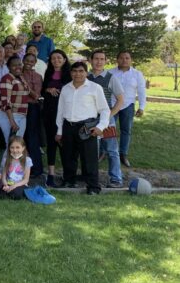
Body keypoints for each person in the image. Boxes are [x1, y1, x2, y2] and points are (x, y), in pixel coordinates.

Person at [55, 61, 110, 194]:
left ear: (86, 73)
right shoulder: (66, 88)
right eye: (74, 71)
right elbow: (60, 111)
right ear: (71, 73)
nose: (77, 74)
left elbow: (104, 109)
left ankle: (93, 187)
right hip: (68, 126)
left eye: (81, 71)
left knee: (89, 159)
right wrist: (59, 131)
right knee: (68, 156)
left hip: (87, 128)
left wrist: (101, 127)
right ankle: (69, 181)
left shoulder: (95, 88)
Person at [88, 50, 125, 187]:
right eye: (96, 59)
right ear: (90, 60)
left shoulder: (111, 78)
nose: (99, 62)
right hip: (89, 120)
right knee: (91, 150)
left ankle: (116, 179)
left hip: (107, 121)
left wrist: (109, 116)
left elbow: (121, 100)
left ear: (105, 61)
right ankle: (92, 178)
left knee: (112, 150)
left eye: (102, 59)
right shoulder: (85, 77)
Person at [110, 51, 146, 167]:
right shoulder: (110, 73)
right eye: (121, 58)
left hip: (128, 105)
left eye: (127, 58)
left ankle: (123, 154)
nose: (124, 60)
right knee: (108, 129)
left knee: (126, 130)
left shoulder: (137, 74)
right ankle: (105, 151)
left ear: (131, 60)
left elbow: (141, 91)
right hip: (112, 105)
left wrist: (141, 107)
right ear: (117, 60)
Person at [42, 49, 71, 186]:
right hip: (49, 113)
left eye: (59, 58)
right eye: (53, 58)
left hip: (65, 114)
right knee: (51, 143)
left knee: (65, 144)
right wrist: (48, 89)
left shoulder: (70, 74)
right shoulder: (48, 73)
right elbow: (42, 90)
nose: (56, 60)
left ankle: (67, 175)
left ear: (64, 59)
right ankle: (51, 175)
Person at [0, 56, 30, 146]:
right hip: (9, 115)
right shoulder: (7, 78)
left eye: (19, 64)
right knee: (12, 144)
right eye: (14, 65)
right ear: (8, 67)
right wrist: (12, 121)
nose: (18, 67)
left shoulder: (20, 78)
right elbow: (5, 102)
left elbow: (28, 91)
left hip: (21, 115)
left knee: (18, 143)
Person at [21, 53, 44, 180]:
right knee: (20, 137)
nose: (29, 63)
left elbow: (36, 95)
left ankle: (36, 168)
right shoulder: (18, 74)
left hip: (32, 108)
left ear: (35, 63)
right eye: (27, 60)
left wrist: (27, 88)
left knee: (32, 138)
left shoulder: (38, 76)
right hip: (19, 107)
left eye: (31, 61)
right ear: (23, 61)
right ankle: (20, 167)